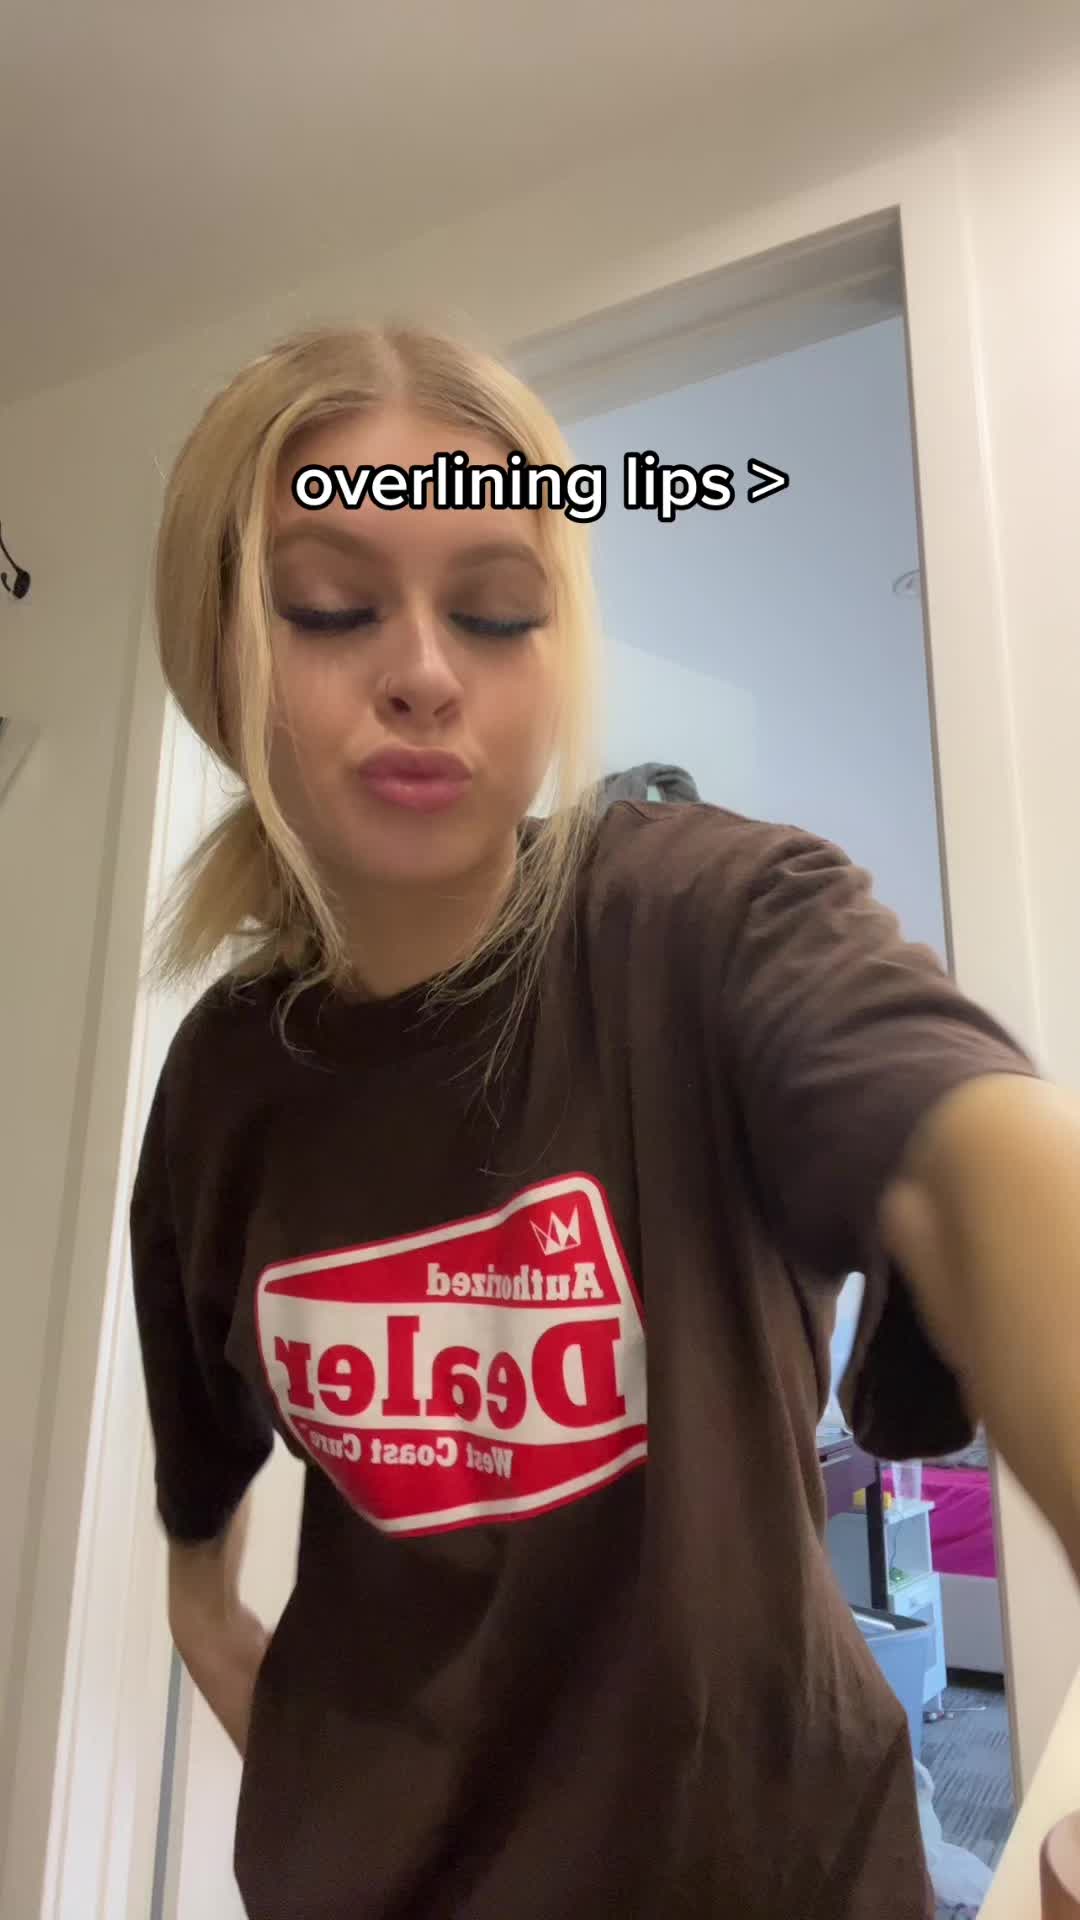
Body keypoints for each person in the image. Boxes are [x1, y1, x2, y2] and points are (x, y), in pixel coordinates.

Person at [131, 322, 1080, 1920]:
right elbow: (198, 1501)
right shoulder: (223, 1079)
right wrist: (255, 1698)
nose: (427, 671)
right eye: (333, 605)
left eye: (496, 608)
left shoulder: (711, 918)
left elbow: (974, 1153)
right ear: (217, 657)